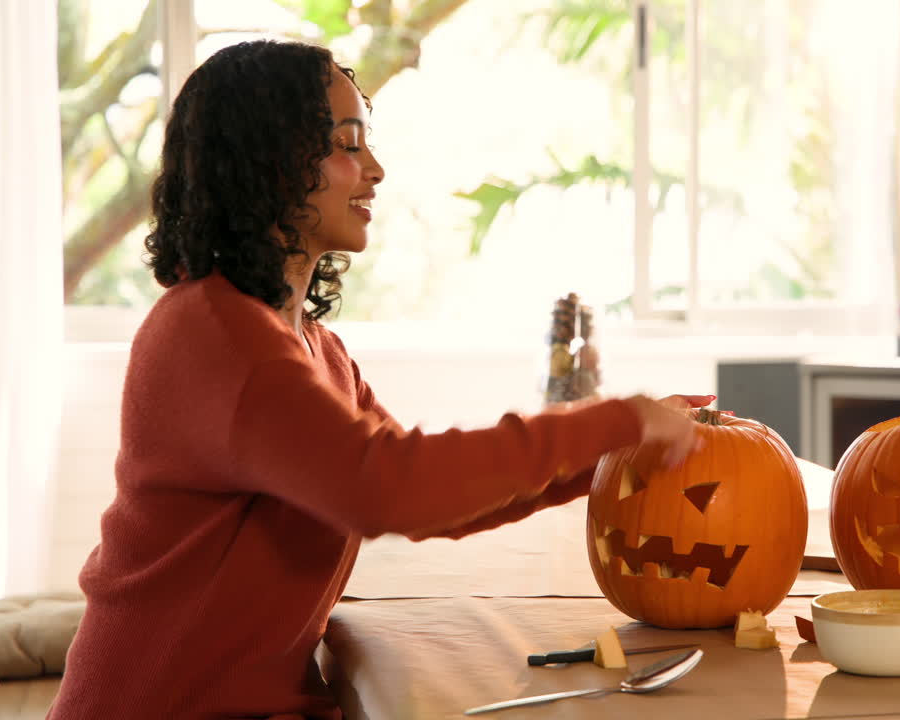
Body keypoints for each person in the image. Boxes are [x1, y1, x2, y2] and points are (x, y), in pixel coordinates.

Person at [47, 39, 709, 720]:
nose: (376, 169)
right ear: (269, 158)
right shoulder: (210, 335)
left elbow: (441, 499)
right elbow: (390, 487)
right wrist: (613, 420)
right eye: (347, 143)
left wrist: (606, 458)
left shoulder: (315, 350)